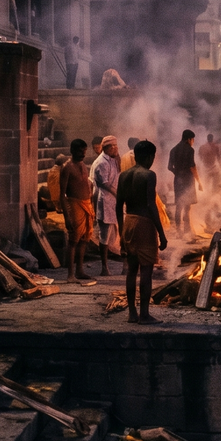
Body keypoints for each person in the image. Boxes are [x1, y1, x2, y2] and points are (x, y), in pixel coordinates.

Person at [116, 140, 167, 324]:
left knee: (131, 270)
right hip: (144, 223)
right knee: (146, 271)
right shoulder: (149, 175)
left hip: (129, 221)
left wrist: (122, 231)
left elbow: (118, 205)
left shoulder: (123, 176)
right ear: (149, 157)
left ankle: (132, 314)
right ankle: (144, 314)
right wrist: (161, 232)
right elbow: (151, 205)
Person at [61, 138, 95, 279]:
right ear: (72, 151)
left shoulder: (83, 165)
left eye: (84, 151)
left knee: (84, 239)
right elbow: (62, 195)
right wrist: (66, 216)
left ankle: (80, 270)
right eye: (80, 151)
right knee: (73, 240)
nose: (83, 154)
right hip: (74, 205)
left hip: (86, 204)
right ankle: (70, 274)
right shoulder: (67, 167)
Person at [91, 135, 123, 275]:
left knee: (119, 233)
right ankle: (105, 268)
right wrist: (118, 194)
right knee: (104, 237)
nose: (116, 148)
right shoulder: (101, 163)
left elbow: (118, 175)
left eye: (116, 145)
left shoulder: (113, 159)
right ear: (107, 148)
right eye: (113, 146)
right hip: (105, 202)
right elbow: (105, 184)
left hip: (115, 202)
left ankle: (125, 266)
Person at [168, 129, 200, 232]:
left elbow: (169, 167)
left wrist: (177, 173)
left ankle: (178, 230)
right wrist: (199, 181)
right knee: (187, 206)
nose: (193, 141)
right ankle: (187, 228)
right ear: (188, 139)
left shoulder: (173, 150)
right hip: (188, 181)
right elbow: (192, 167)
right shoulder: (190, 150)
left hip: (178, 180)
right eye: (192, 139)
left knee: (179, 206)